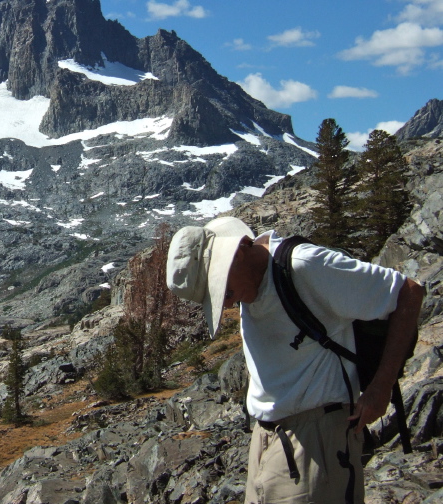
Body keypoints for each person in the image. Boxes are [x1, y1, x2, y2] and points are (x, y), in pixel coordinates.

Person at [165, 216, 424, 504]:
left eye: (222, 291)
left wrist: (381, 387)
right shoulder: (250, 283)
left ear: (237, 252)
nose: (225, 303)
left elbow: (408, 291)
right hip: (265, 438)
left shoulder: (305, 266)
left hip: (317, 438)